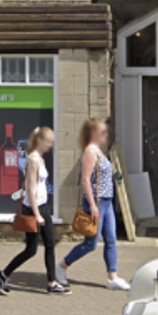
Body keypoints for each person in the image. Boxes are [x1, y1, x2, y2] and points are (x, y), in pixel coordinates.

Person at [60, 119, 130, 289]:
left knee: (111, 239)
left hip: (107, 202)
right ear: (93, 133)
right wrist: (92, 205)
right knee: (91, 244)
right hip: (97, 202)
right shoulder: (90, 152)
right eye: (103, 132)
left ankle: (112, 277)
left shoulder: (99, 151)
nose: (106, 135)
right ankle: (61, 266)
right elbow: (85, 180)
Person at [0, 127, 65, 295]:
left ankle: (51, 283)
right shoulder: (33, 160)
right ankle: (3, 275)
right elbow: (30, 190)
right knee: (30, 250)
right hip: (34, 209)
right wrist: (37, 214)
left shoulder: (40, 159)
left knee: (50, 244)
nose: (50, 145)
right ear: (39, 141)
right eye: (48, 141)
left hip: (43, 207)